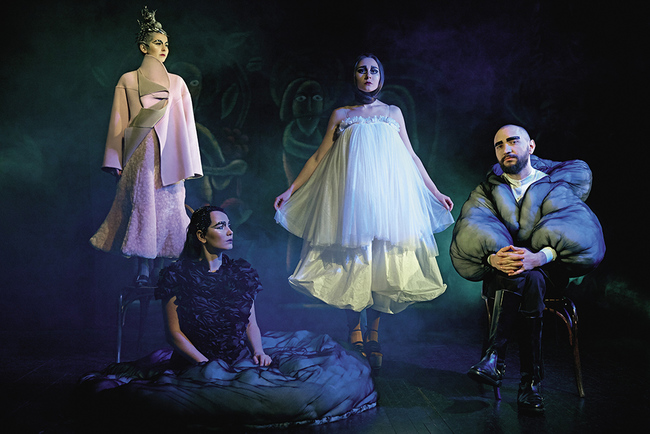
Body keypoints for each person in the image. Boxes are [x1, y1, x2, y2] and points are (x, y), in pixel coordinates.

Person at [75, 206, 377, 430]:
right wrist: (205, 365)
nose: (230, 231)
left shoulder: (240, 272)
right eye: (221, 226)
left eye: (229, 225)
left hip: (237, 359)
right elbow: (174, 334)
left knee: (310, 389)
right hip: (194, 364)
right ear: (201, 235)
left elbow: (250, 323)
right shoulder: (178, 275)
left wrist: (258, 351)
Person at [274, 54, 454, 369]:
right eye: (362, 70)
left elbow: (411, 156)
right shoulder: (342, 114)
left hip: (388, 203)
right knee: (353, 264)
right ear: (354, 76)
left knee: (385, 265)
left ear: (381, 77)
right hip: (353, 203)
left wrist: (435, 192)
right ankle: (355, 330)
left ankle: (374, 334)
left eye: (374, 70)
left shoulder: (393, 113)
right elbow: (318, 157)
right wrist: (291, 189)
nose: (368, 75)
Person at [450, 125, 605, 413]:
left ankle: (494, 358)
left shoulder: (554, 186)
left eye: (513, 141)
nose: (506, 149)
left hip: (549, 272)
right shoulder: (488, 190)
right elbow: (473, 224)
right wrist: (491, 258)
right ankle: (531, 385)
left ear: (530, 146)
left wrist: (540, 256)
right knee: (525, 276)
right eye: (499, 145)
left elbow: (579, 228)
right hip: (504, 272)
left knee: (531, 275)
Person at [90, 7, 203, 286]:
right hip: (140, 152)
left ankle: (164, 268)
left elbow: (187, 127)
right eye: (157, 42)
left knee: (170, 206)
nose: (163, 48)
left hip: (169, 155)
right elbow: (119, 122)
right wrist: (114, 160)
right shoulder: (128, 80)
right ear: (143, 47)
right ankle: (142, 268)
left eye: (166, 44)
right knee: (142, 205)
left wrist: (189, 162)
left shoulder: (177, 83)